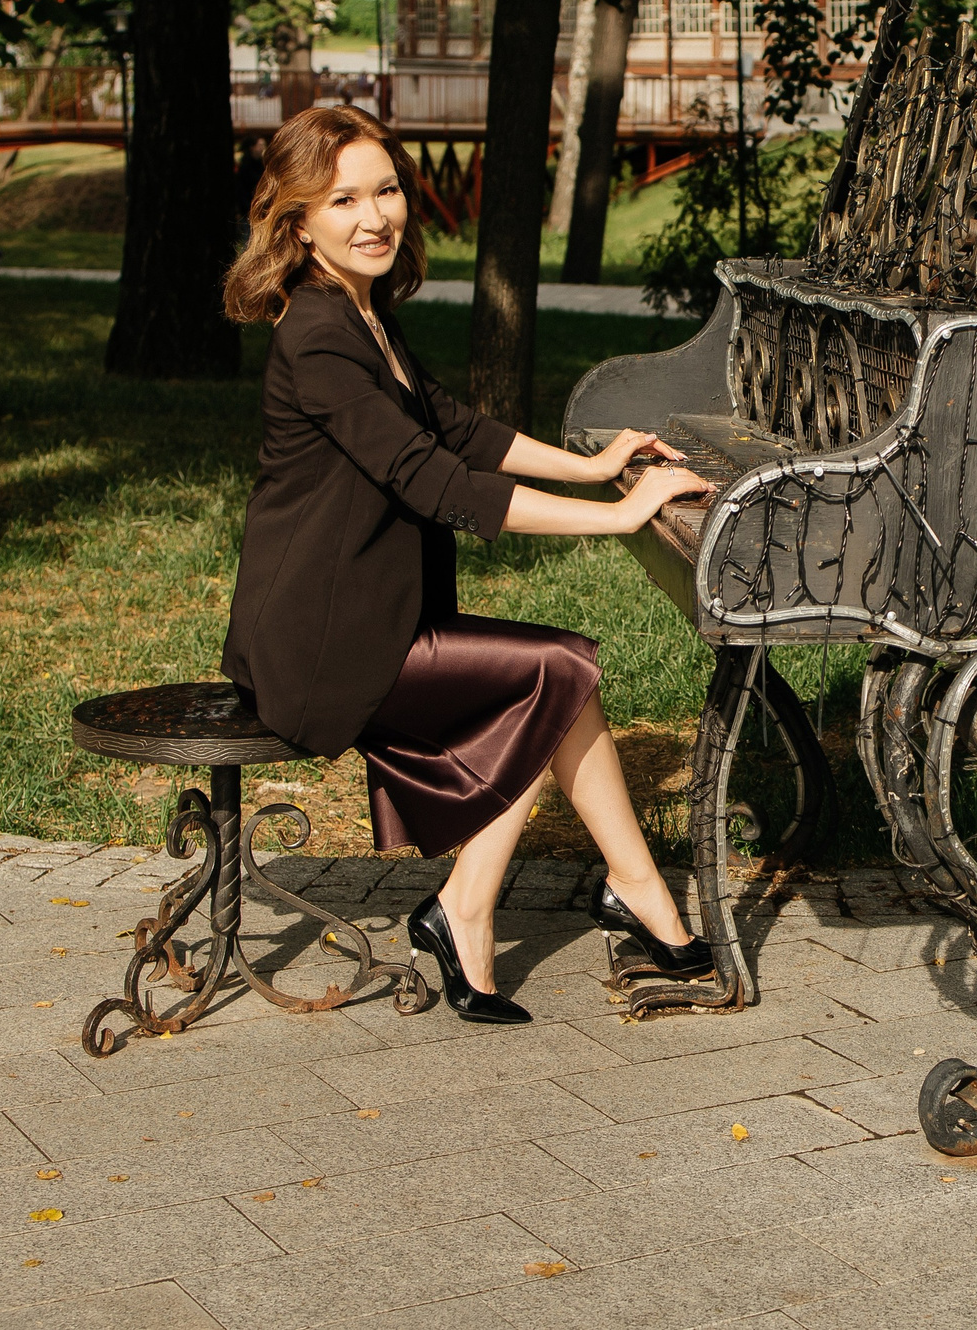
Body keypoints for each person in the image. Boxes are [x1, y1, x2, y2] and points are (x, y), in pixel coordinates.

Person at [219, 104, 715, 1025]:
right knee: (557, 673)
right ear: (296, 222)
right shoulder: (316, 333)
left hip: (371, 619)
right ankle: (540, 901)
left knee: (555, 679)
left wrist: (596, 466)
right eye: (343, 201)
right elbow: (430, 478)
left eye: (387, 191)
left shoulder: (357, 311)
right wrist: (617, 517)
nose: (375, 217)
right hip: (323, 647)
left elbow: (452, 424)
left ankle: (549, 899)